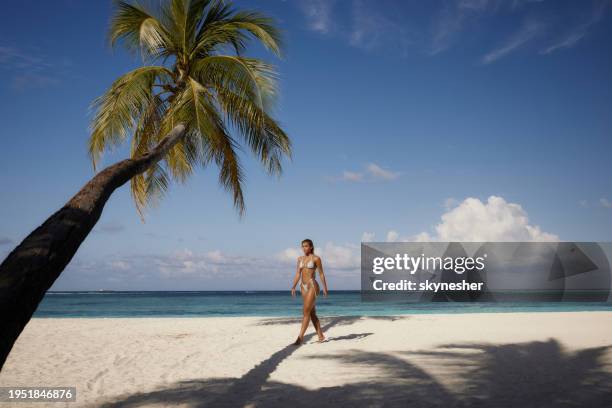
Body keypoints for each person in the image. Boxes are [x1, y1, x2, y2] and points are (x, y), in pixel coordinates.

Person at [290, 238, 329, 345]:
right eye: (303, 246)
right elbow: (298, 273)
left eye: (306, 246)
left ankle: (300, 337)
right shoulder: (300, 259)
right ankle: (321, 336)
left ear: (311, 247)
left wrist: (325, 287)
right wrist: (293, 286)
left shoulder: (316, 258)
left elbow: (321, 273)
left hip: (312, 285)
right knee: (311, 313)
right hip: (302, 286)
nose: (304, 248)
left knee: (305, 311)